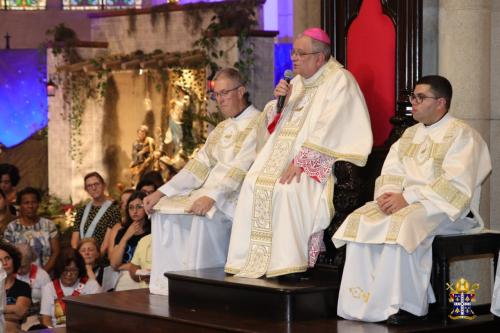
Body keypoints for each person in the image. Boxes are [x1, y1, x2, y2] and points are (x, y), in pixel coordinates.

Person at [332, 75, 492, 324]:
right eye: (412, 97)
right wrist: (389, 197)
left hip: (443, 209)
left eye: (420, 97)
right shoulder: (408, 135)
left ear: (441, 102)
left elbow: (456, 184)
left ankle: (404, 305)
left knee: (404, 225)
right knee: (361, 220)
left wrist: (408, 197)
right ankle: (361, 304)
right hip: (405, 201)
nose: (413, 103)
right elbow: (390, 172)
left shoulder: (462, 135)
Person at [224, 28, 373, 279]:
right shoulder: (295, 83)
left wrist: (303, 161)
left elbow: (333, 125)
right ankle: (248, 261)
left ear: (319, 57)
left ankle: (288, 263)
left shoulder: (340, 80)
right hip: (281, 159)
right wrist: (278, 105)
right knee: (251, 183)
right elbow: (277, 126)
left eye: (300, 53)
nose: (294, 58)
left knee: (287, 189)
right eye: (294, 52)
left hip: (319, 161)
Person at [144, 67, 263, 295]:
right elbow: (197, 167)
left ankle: (202, 292)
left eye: (225, 92)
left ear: (241, 91)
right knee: (163, 212)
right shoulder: (220, 129)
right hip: (208, 192)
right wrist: (161, 192)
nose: (220, 100)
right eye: (216, 94)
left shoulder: (258, 123)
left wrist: (213, 196)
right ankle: (169, 289)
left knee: (202, 217)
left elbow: (242, 167)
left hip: (235, 197)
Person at [4, 187, 60, 274]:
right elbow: (7, 255)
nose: (30, 206)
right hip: (19, 277)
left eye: (34, 202)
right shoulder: (12, 227)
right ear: (20, 205)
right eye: (26, 203)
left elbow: (55, 252)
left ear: (38, 204)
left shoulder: (48, 225)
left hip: (45, 277)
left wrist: (42, 274)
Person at [40, 249, 101, 328]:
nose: (69, 274)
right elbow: (46, 320)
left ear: (80, 270)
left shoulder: (91, 285)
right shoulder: (49, 288)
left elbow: (97, 318)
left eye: (73, 270)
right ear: (59, 269)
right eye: (66, 270)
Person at [109, 191, 150, 291]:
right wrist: (126, 236)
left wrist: (124, 266)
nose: (135, 211)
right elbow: (114, 263)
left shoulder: (152, 231)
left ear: (146, 207)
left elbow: (146, 264)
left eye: (139, 207)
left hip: (146, 278)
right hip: (124, 278)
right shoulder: (123, 231)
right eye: (131, 207)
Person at [70, 172, 121, 254]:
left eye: (96, 184)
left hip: (101, 258)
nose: (94, 188)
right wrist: (78, 259)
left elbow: (107, 243)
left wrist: (96, 259)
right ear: (86, 190)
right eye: (89, 186)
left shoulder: (113, 210)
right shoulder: (81, 211)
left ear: (103, 185)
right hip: (81, 259)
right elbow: (74, 241)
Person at [16, 244, 51, 330]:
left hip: (35, 316)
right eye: (17, 266)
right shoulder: (8, 274)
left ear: (30, 262)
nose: (19, 270)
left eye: (23, 267)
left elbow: (49, 302)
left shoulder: (42, 276)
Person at [0, 241, 31, 333]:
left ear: (14, 260)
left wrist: (1, 310)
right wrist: (11, 310)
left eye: (7, 258)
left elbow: (20, 312)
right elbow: (15, 313)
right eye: (0, 260)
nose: (5, 263)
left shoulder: (23, 286)